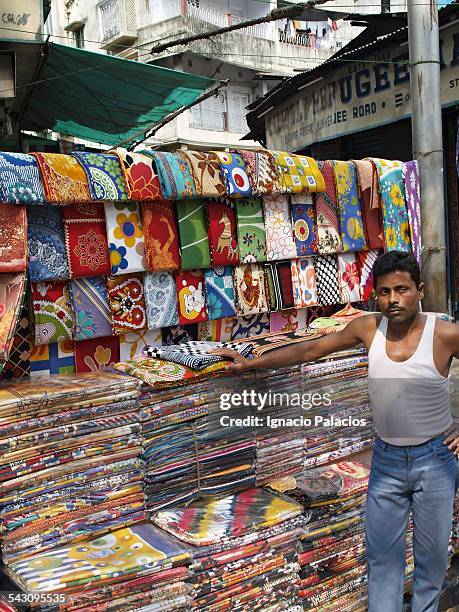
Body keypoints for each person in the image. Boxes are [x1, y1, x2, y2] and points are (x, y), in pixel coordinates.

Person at [213, 251, 459, 612]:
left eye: (402, 290)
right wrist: (254, 361)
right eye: (384, 291)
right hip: (387, 461)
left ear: (419, 291)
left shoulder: (445, 334)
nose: (393, 300)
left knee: (432, 561)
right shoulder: (368, 328)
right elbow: (313, 348)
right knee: (383, 561)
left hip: (435, 460)